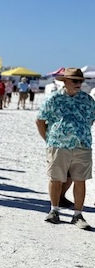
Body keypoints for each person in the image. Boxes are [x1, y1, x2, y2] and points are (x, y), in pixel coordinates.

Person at [36, 68, 95, 228]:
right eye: (75, 80)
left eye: (80, 81)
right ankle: (54, 210)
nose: (79, 84)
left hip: (82, 146)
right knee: (56, 179)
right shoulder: (53, 99)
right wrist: (49, 139)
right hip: (57, 145)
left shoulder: (88, 100)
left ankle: (78, 215)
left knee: (80, 180)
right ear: (66, 81)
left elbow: (91, 120)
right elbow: (40, 121)